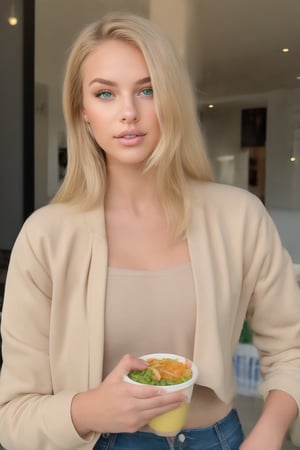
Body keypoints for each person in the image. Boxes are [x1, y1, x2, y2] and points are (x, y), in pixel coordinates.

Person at [0, 12, 300, 450]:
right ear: (82, 112)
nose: (128, 113)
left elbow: (291, 349)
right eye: (105, 93)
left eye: (147, 90)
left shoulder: (240, 217)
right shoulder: (45, 238)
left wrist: (269, 434)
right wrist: (88, 409)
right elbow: (12, 417)